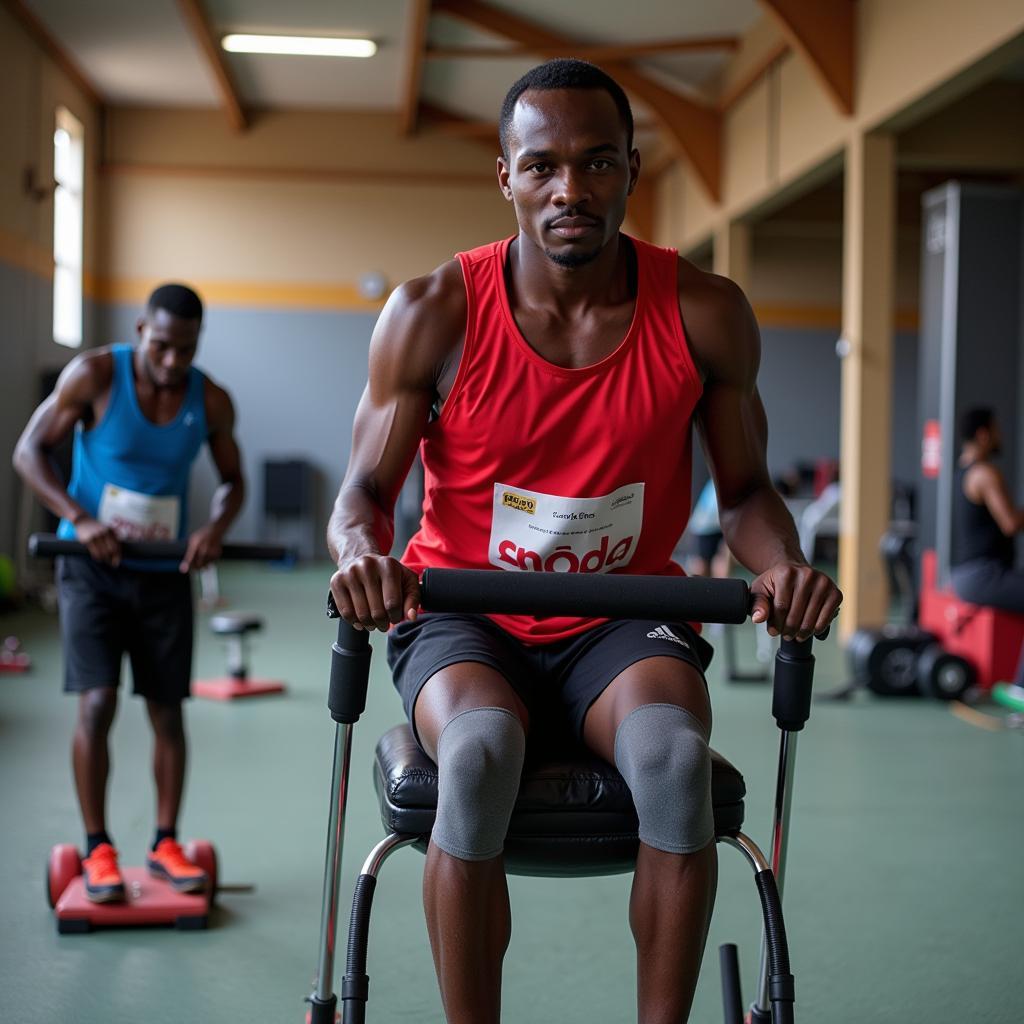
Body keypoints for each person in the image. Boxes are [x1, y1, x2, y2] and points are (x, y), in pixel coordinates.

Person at [328, 60, 841, 1024]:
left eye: (598, 163)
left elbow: (744, 494)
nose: (572, 189)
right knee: (477, 755)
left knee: (676, 764)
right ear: (507, 177)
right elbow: (363, 493)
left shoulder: (704, 311)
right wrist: (361, 556)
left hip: (626, 620)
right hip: (466, 620)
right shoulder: (435, 311)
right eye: (545, 166)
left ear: (632, 171)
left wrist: (781, 567)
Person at [13, 283, 244, 903]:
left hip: (163, 570)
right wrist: (78, 518)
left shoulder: (211, 398)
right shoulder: (94, 374)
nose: (172, 362)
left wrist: (215, 530)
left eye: (185, 350)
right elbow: (29, 452)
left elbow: (232, 482)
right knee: (96, 704)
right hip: (90, 569)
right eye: (163, 345)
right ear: (142, 329)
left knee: (167, 710)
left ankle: (166, 841)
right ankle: (97, 848)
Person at [950, 407, 1024, 693]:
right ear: (983, 435)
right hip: (983, 576)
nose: (1000, 436)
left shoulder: (963, 470)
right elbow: (1010, 523)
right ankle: (1021, 689)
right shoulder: (985, 473)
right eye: (996, 430)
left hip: (967, 575)